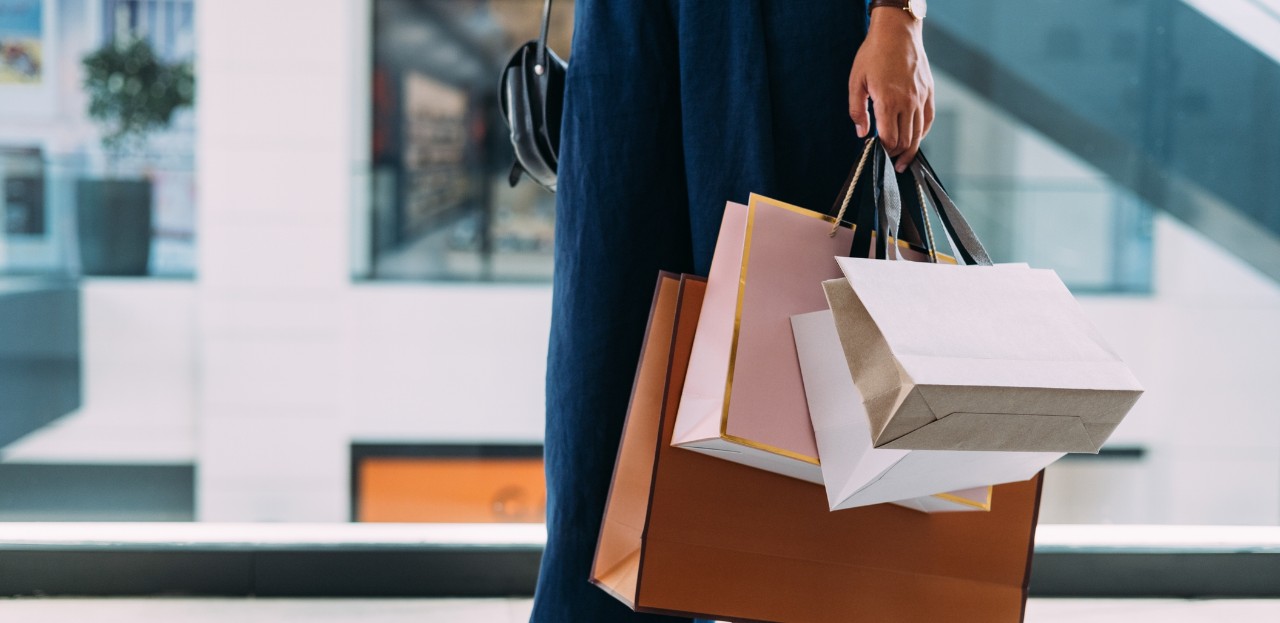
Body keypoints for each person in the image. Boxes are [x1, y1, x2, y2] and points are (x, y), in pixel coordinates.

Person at [532, 1, 936, 620]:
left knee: (803, 390)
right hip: (629, 28)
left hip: (798, 28)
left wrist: (899, 16)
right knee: (611, 380)